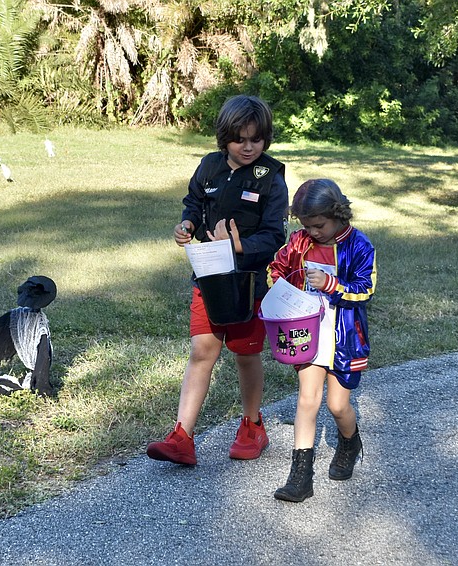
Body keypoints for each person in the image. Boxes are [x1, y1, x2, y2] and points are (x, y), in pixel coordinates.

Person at [146, 94, 289, 465]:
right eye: (240, 139)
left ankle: (253, 426)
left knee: (245, 354)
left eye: (256, 139)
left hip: (248, 283)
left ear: (265, 139)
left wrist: (240, 245)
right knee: (202, 352)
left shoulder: (271, 177)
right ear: (224, 137)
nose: (248, 146)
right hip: (208, 277)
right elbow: (193, 202)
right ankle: (182, 437)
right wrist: (187, 224)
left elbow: (275, 237)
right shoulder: (209, 166)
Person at [267, 179, 376, 502]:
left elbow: (365, 289)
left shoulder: (359, 245)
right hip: (306, 330)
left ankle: (349, 441)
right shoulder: (299, 242)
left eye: (319, 225)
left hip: (343, 335)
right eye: (306, 226)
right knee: (307, 400)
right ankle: (300, 476)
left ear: (339, 214)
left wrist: (330, 283)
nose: (313, 232)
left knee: (337, 405)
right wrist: (283, 287)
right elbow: (277, 269)